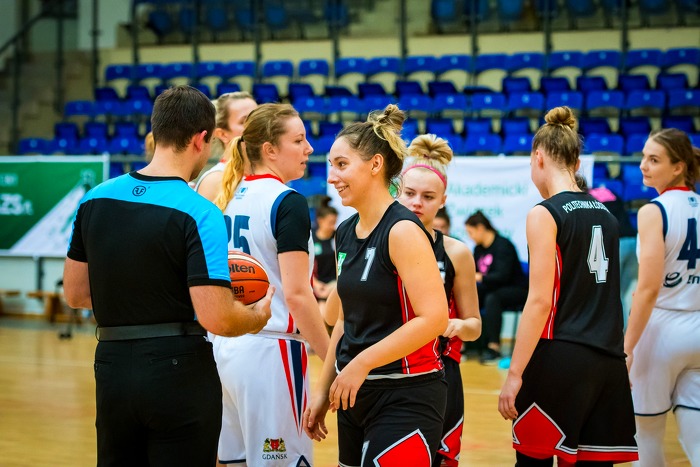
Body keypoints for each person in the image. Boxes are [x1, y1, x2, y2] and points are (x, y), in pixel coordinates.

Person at [62, 85, 273, 467]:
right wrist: (256, 317)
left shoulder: (94, 199)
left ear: (157, 131)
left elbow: (75, 294)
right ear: (201, 139)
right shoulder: (199, 212)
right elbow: (217, 318)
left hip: (111, 364)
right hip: (177, 368)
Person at [303, 104, 449, 466]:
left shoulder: (402, 230)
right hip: (353, 393)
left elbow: (435, 318)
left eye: (341, 164)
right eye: (331, 166)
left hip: (407, 393)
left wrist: (362, 363)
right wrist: (322, 388)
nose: (332, 177)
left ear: (375, 164)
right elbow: (343, 320)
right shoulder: (344, 232)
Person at [498, 106, 638, 466]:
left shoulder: (544, 212)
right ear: (576, 163)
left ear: (538, 157)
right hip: (608, 360)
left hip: (559, 358)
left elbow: (540, 301)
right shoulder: (608, 215)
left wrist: (514, 374)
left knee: (534, 461)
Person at [212, 103, 330, 466]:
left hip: (225, 349)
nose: (309, 148)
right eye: (299, 140)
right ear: (270, 150)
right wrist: (333, 362)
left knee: (234, 462)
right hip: (271, 353)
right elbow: (297, 295)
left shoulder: (228, 194)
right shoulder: (286, 201)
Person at [398, 134, 482, 467]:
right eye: (409, 193)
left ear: (443, 200)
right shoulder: (376, 242)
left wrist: (457, 324)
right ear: (397, 192)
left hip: (439, 370)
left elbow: (475, 326)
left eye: (428, 196)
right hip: (387, 367)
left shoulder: (456, 252)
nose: (417, 202)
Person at [624, 128, 700, 466]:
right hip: (697, 327)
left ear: (678, 167)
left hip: (661, 331)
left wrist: (626, 348)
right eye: (643, 157)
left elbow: (648, 289)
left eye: (654, 160)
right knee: (697, 437)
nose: (643, 165)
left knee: (647, 437)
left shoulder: (653, 211)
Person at [465, 210, 528, 364]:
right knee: (468, 295)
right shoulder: (478, 249)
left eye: (471, 232)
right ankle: (468, 342)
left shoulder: (503, 245)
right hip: (492, 288)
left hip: (516, 289)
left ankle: (494, 347)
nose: (470, 237)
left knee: (493, 299)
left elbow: (503, 276)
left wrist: (480, 277)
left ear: (480, 228)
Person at [587, 184, 638, 327]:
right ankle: (624, 334)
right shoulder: (609, 191)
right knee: (620, 295)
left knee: (614, 295)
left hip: (617, 244)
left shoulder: (587, 200)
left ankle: (617, 334)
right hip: (634, 242)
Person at [195, 91, 257, 201]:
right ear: (222, 134)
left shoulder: (270, 171)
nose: (257, 126)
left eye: (257, 119)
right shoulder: (214, 181)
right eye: (245, 121)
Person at [312, 195, 339, 326]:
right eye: (330, 222)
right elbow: (304, 266)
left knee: (331, 318)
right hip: (316, 286)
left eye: (335, 222)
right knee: (320, 318)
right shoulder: (310, 238)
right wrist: (315, 284)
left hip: (334, 285)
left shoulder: (338, 237)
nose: (333, 226)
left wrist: (335, 284)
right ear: (320, 221)